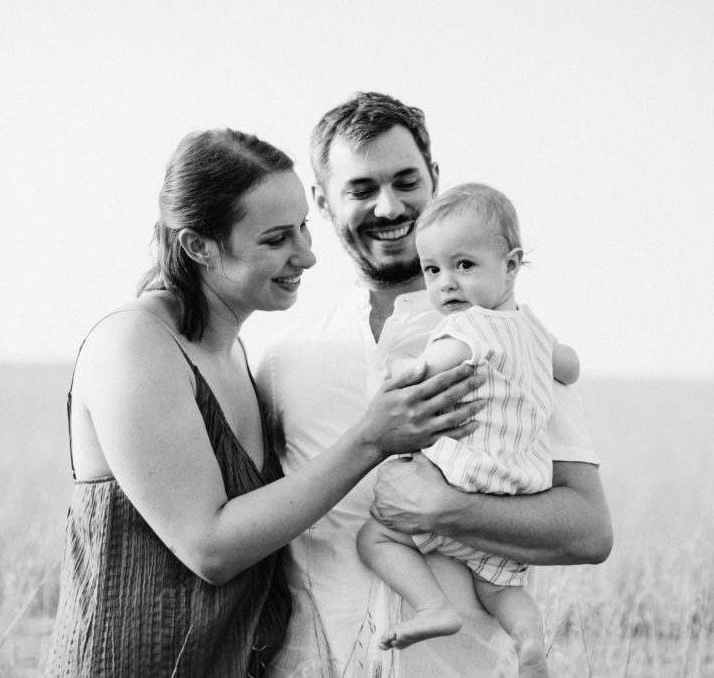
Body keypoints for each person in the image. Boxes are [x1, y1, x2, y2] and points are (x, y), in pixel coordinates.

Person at [44, 128, 485, 677]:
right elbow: (211, 548)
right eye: (276, 239)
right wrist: (373, 437)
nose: (306, 254)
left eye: (303, 226)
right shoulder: (134, 345)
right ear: (199, 246)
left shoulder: (233, 354)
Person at [256, 93, 613, 677]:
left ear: (435, 179)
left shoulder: (513, 336)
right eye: (361, 189)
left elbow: (589, 532)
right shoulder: (283, 361)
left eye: (406, 181)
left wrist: (448, 509)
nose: (389, 206)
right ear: (321, 201)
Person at [357, 183, 580, 678]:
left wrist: (398, 373)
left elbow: (423, 373)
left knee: (376, 538)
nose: (446, 284)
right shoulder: (535, 332)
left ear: (512, 264)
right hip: (512, 499)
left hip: (460, 483)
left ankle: (433, 607)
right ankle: (530, 642)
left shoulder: (468, 329)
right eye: (433, 270)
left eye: (464, 266)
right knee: (501, 589)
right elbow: (570, 366)